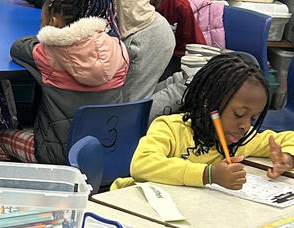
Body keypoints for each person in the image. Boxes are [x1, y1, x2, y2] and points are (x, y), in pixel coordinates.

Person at [0, 0, 129, 164]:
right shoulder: (119, 50)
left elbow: (18, 47)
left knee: (1, 138)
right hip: (106, 153)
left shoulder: (47, 55)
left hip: (57, 156)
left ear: (54, 23)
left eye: (43, 23)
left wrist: (51, 39)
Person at [126, 52, 294, 189]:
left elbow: (287, 139)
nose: (245, 126)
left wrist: (287, 158)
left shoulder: (241, 140)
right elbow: (141, 165)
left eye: (253, 118)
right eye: (238, 114)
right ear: (209, 99)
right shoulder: (171, 129)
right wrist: (208, 174)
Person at [140, 0, 205, 78]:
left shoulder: (179, 6)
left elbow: (195, 47)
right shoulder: (124, 1)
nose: (140, 1)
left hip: (172, 57)